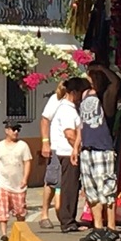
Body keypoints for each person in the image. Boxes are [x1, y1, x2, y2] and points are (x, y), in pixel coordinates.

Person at [78, 63, 121, 241]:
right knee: (91, 190)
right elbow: (81, 125)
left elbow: (116, 82)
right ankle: (98, 227)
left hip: (103, 149)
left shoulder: (106, 97)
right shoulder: (85, 95)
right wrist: (77, 147)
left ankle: (111, 227)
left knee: (107, 189)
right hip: (87, 149)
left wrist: (103, 69)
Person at [52, 77, 89, 233]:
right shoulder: (67, 110)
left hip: (67, 151)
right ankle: (67, 221)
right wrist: (79, 147)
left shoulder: (66, 108)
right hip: (68, 152)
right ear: (74, 93)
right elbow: (69, 133)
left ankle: (70, 219)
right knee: (70, 187)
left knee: (71, 186)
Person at [0, 120, 33, 241]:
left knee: (20, 211)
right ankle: (4, 234)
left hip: (18, 185)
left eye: (18, 129)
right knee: (2, 208)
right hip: (3, 183)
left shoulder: (23, 146)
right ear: (7, 130)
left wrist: (25, 178)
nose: (16, 132)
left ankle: (21, 233)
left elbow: (27, 162)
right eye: (13, 129)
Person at [38, 83, 65, 229]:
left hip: (71, 148)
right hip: (56, 147)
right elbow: (44, 120)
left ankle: (66, 216)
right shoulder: (56, 99)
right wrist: (45, 142)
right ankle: (44, 215)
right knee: (51, 180)